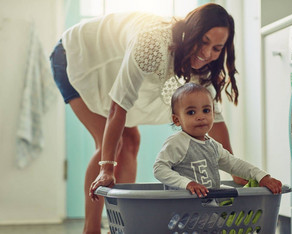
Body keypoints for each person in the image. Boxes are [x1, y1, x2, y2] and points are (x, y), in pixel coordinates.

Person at [50, 3, 245, 234]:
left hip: (111, 69)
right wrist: (106, 169)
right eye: (203, 41)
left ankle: (121, 226)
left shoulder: (203, 66)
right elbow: (117, 108)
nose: (207, 53)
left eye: (216, 48)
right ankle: (90, 230)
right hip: (76, 58)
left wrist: (238, 173)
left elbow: (216, 121)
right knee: (111, 147)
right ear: (191, 31)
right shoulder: (153, 44)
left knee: (131, 141)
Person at [153, 83, 282, 197]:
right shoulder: (177, 142)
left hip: (209, 208)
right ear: (177, 120)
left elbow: (234, 164)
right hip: (184, 211)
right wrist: (187, 184)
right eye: (191, 112)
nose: (201, 117)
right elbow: (159, 168)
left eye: (206, 110)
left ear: (213, 114)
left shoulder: (213, 146)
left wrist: (261, 176)